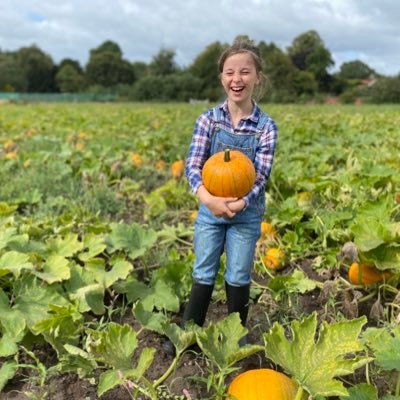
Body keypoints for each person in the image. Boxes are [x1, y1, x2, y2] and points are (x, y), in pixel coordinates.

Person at [165, 36, 278, 354]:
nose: (237, 79)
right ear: (222, 78)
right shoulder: (208, 121)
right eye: (230, 72)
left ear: (256, 77)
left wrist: (242, 201)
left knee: (239, 273)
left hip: (247, 213)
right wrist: (207, 198)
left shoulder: (266, 127)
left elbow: (262, 175)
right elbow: (193, 165)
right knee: (203, 270)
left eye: (244, 72)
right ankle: (189, 336)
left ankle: (235, 341)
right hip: (209, 210)